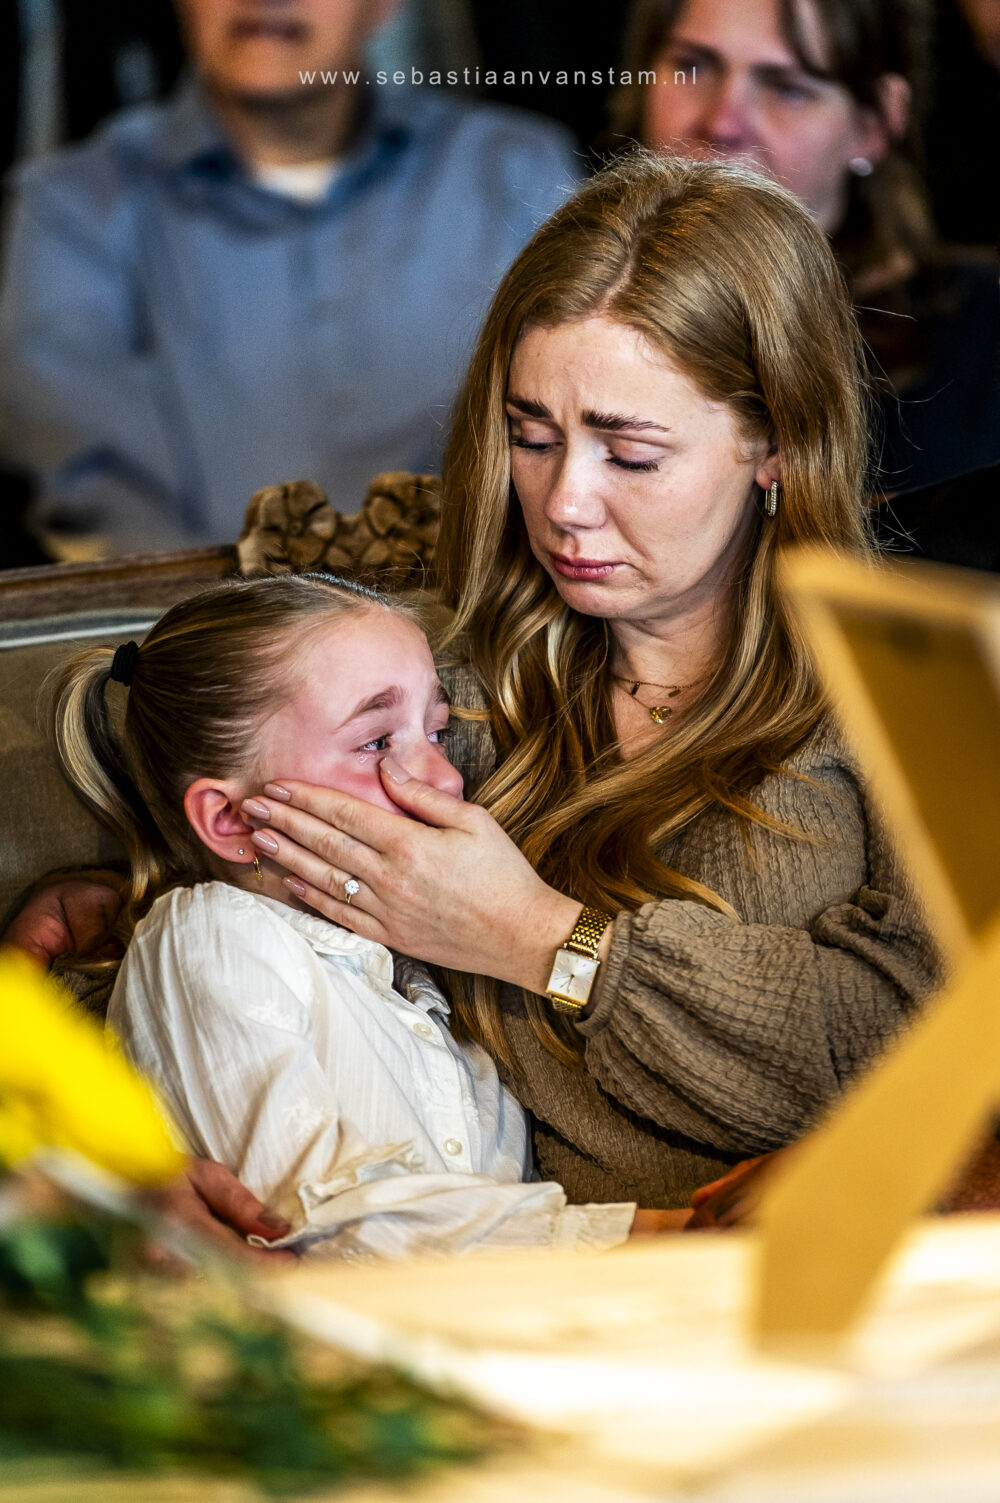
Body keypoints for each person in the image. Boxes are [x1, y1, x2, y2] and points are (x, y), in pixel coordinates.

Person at [11, 151, 942, 1222]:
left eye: (630, 454)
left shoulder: (914, 704)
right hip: (502, 1289)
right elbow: (247, 950)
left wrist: (540, 938)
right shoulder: (437, 692)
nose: (563, 507)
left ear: (776, 441)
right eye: (531, 436)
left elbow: (918, 1043)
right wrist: (124, 1132)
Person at [48, 571, 649, 1257]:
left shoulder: (419, 973)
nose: (448, 780)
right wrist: (639, 1234)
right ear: (233, 817)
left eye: (437, 730)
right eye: (375, 742)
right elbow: (313, 1217)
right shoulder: (207, 937)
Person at [0, 0, 579, 554]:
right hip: (195, 640)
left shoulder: (517, 173)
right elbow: (95, 488)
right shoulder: (71, 209)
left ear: (386, 3)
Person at [611, 0, 1000, 497]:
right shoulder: (566, 310)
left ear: (875, 123)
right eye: (691, 67)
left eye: (787, 88)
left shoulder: (983, 338)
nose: (723, 122)